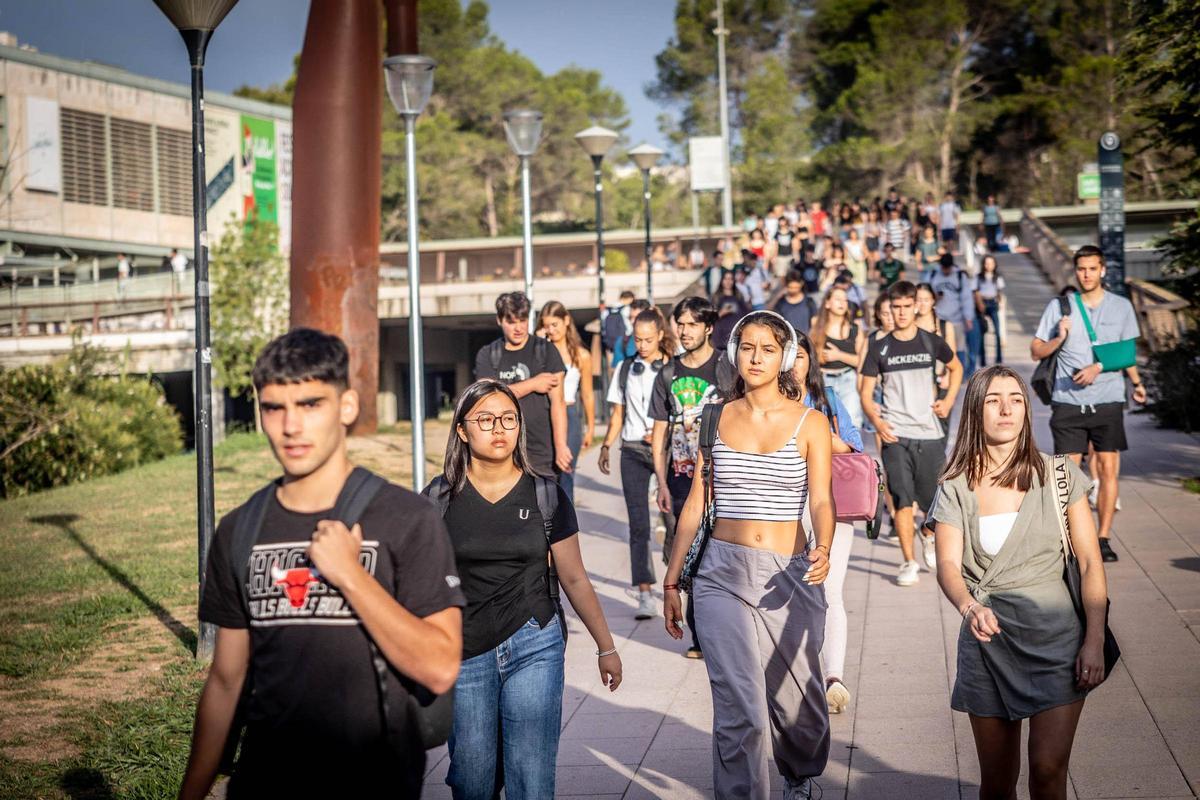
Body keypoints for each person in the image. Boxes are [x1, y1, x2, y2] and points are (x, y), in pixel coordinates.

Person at [178, 329, 465, 800]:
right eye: (274, 407)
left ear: (346, 407)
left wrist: (351, 576)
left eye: (310, 404)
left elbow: (438, 666)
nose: (291, 426)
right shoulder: (239, 529)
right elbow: (226, 681)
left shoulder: (406, 518)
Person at [663, 309, 834, 800]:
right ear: (734, 352)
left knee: (802, 711)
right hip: (721, 574)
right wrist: (674, 580)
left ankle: (799, 776)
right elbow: (696, 501)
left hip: (790, 575)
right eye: (747, 347)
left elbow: (821, 500)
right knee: (743, 712)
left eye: (767, 348)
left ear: (785, 357)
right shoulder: (714, 417)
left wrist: (823, 545)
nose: (755, 357)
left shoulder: (811, 423)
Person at [427, 380, 622, 799]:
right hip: (464, 650)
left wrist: (606, 647)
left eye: (508, 419)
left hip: (534, 641)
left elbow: (573, 577)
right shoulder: (438, 499)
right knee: (471, 781)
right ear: (462, 429)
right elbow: (418, 582)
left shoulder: (545, 493)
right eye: (485, 419)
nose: (498, 428)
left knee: (530, 778)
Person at [929, 365, 1109, 800]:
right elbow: (948, 565)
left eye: (1015, 399)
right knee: (997, 782)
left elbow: (1088, 561)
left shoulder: (1059, 475)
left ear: (1027, 410)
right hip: (987, 646)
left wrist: (1094, 640)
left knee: (1048, 772)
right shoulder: (955, 485)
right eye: (993, 400)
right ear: (976, 411)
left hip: (1057, 643)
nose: (1006, 409)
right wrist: (970, 607)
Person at [1031, 244, 1145, 563]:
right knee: (1067, 476)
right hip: (1067, 402)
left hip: (1108, 400)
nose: (1086, 274)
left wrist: (1135, 383)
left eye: (1092, 268)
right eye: (1081, 269)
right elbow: (1036, 351)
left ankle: (1104, 537)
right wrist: (1060, 339)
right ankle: (1073, 538)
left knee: (1108, 469)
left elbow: (1127, 354)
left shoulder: (1121, 307)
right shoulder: (1060, 307)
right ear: (1076, 271)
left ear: (1102, 270)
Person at [860, 281, 963, 586]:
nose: (902, 313)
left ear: (916, 307)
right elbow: (865, 392)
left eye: (907, 306)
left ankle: (927, 535)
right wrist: (877, 423)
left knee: (935, 501)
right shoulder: (880, 347)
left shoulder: (931, 342)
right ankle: (908, 561)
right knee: (902, 499)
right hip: (896, 434)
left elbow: (957, 368)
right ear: (889, 308)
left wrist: (949, 399)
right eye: (897, 307)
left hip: (929, 432)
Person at [792, 329, 864, 715]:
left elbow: (854, 446)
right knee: (789, 595)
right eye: (789, 356)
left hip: (831, 503)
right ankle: (800, 674)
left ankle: (833, 677)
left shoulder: (827, 399)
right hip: (780, 509)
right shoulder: (761, 403)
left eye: (800, 356)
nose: (793, 364)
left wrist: (814, 431)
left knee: (830, 590)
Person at [651, 297, 726, 659]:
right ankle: (701, 637)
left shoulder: (726, 367)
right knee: (690, 558)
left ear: (709, 327)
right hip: (680, 477)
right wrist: (661, 483)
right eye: (680, 324)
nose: (684, 331)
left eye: (692, 324)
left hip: (723, 477)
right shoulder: (668, 373)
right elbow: (659, 431)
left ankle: (726, 629)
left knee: (719, 553)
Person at [600, 308, 676, 620]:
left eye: (648, 339)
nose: (642, 345)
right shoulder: (623, 368)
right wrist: (606, 445)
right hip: (631, 449)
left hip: (665, 450)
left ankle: (676, 582)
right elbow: (617, 414)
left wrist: (662, 430)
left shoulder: (673, 368)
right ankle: (644, 593)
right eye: (638, 339)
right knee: (638, 524)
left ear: (660, 336)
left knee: (673, 520)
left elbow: (681, 413)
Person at [475, 292, 570, 479]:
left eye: (523, 320)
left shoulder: (546, 351)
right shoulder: (487, 355)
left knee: (546, 507)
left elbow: (558, 404)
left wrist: (560, 446)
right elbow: (488, 400)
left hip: (542, 455)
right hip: (501, 455)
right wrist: (533, 383)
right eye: (511, 322)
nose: (518, 327)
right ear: (499, 320)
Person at [540, 301, 595, 503]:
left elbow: (587, 394)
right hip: (544, 414)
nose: (551, 330)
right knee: (545, 473)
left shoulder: (581, 355)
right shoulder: (541, 351)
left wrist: (589, 427)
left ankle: (567, 526)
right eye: (547, 326)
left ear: (566, 321)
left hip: (570, 415)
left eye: (555, 324)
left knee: (566, 472)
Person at [812, 285, 866, 430]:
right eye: (837, 299)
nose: (842, 303)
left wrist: (838, 355)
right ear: (828, 303)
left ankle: (852, 453)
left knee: (851, 423)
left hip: (848, 380)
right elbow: (809, 356)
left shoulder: (854, 328)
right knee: (823, 425)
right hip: (823, 380)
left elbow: (862, 361)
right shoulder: (816, 324)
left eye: (845, 300)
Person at [930, 253, 978, 377]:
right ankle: (941, 375)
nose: (945, 271)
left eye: (948, 268)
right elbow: (926, 294)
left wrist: (968, 318)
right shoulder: (933, 275)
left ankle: (959, 374)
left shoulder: (959, 276)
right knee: (939, 348)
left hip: (956, 319)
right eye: (943, 268)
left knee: (959, 348)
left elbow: (966, 298)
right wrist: (935, 297)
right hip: (938, 318)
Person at [974, 255, 1005, 366]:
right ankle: (982, 359)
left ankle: (999, 358)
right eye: (986, 263)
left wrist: (1000, 303)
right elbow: (976, 291)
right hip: (982, 303)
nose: (989, 266)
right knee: (982, 333)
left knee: (997, 331)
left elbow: (999, 292)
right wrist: (980, 304)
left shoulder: (997, 277)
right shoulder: (978, 277)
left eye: (991, 263)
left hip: (993, 303)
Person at [773, 269, 818, 335]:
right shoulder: (781, 302)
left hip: (805, 340)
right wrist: (777, 296)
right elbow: (769, 312)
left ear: (801, 284)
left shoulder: (809, 301)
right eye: (790, 287)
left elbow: (814, 324)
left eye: (796, 287)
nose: (793, 290)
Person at [602, 290, 636, 368]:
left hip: (609, 343)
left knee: (612, 368)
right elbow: (629, 328)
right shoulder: (627, 309)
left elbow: (603, 327)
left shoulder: (607, 310)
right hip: (624, 342)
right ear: (629, 298)